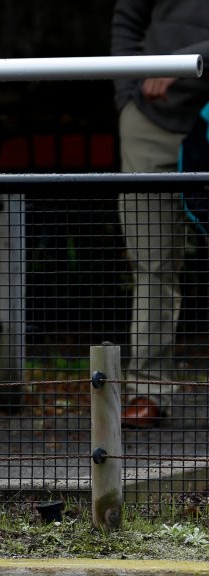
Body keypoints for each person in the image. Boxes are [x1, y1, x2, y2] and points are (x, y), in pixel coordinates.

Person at [113, 0, 209, 428]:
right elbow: (127, 18)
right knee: (152, 257)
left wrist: (194, 60)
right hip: (152, 118)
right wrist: (126, 93)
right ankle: (149, 390)